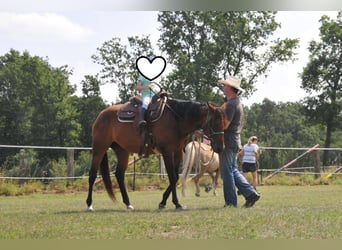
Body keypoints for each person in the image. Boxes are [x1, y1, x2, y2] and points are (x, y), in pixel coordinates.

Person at [218, 76, 260, 208]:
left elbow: (225, 125)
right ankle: (251, 194)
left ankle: (231, 202)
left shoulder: (230, 105)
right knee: (233, 170)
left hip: (229, 141)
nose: (223, 88)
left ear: (230, 88)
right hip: (235, 141)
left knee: (227, 172)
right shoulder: (237, 103)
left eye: (225, 86)